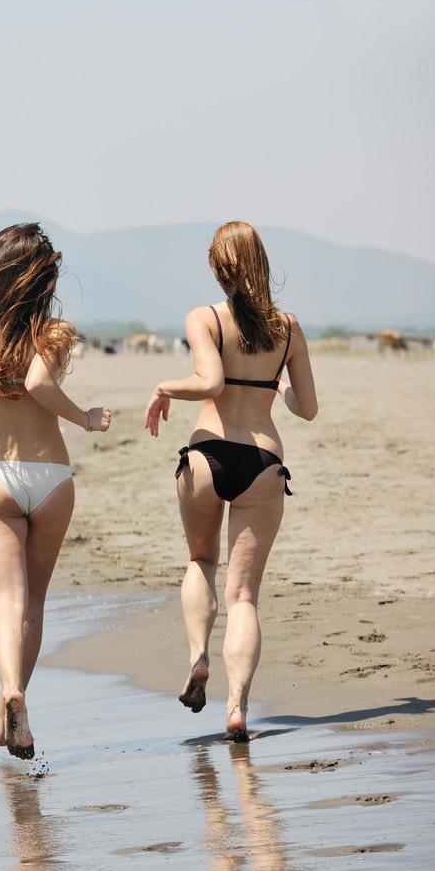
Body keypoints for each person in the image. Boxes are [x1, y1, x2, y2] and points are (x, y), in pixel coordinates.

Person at [145, 221, 317, 741]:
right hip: (262, 461)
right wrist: (281, 385)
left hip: (206, 456)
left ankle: (198, 658)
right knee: (243, 596)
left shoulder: (205, 318)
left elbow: (210, 382)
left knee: (200, 561)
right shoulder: (288, 328)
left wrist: (163, 387)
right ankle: (237, 706)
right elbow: (306, 409)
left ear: (219, 269)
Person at [0, 223, 112, 760]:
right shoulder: (53, 332)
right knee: (33, 602)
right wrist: (84, 418)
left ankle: (9, 693)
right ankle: (13, 700)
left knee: (6, 599)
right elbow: (42, 383)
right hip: (50, 478)